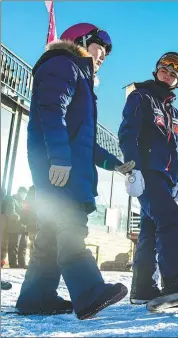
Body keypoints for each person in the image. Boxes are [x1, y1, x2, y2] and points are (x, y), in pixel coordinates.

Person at [16, 23, 135, 320]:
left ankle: (36, 297)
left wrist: (114, 164)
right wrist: (59, 158)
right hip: (61, 170)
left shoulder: (78, 75)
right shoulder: (63, 64)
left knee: (49, 237)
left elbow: (85, 141)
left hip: (64, 168)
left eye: (108, 51)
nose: (104, 54)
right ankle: (89, 291)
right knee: (70, 229)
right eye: (100, 45)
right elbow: (51, 109)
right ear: (80, 40)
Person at [119, 52, 178, 305]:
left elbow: (173, 149)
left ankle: (142, 287)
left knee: (150, 230)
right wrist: (132, 168)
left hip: (164, 178)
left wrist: (176, 180)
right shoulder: (140, 96)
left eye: (174, 72)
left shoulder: (173, 112)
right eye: (164, 69)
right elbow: (127, 133)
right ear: (156, 70)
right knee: (170, 219)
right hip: (146, 172)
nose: (168, 73)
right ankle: (174, 280)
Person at [4, 187, 28, 268]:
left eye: (25, 194)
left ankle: (22, 263)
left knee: (23, 246)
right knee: (13, 246)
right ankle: (13, 264)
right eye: (23, 193)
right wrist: (21, 219)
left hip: (23, 228)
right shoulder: (12, 199)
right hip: (14, 228)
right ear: (19, 192)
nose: (24, 195)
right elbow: (10, 212)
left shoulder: (23, 203)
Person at [21, 186, 38, 260]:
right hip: (38, 222)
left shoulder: (32, 190)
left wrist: (24, 220)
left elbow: (25, 208)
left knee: (33, 244)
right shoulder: (45, 187)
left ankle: (33, 261)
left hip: (32, 223)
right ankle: (34, 261)